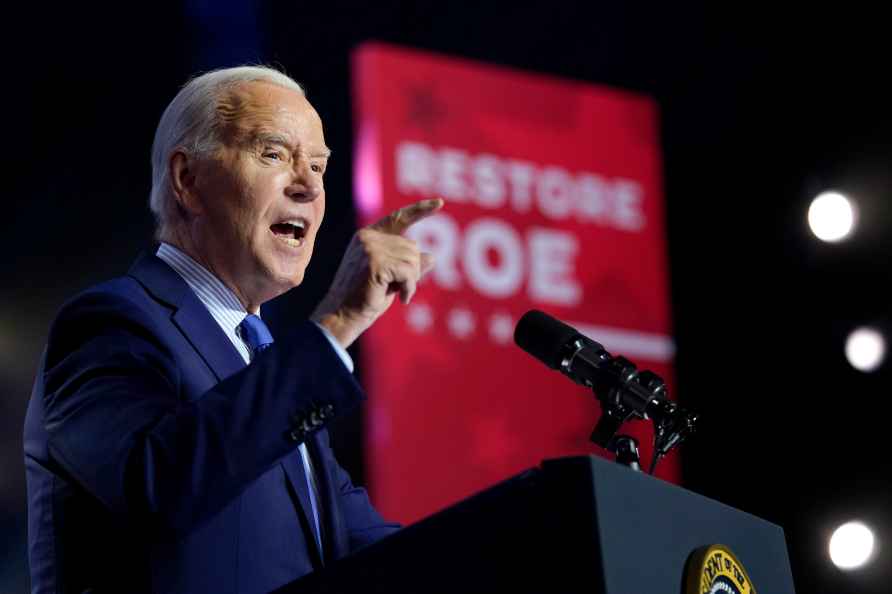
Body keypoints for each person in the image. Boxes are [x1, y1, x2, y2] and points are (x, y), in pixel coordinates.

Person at [23, 65, 442, 594]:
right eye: (273, 154)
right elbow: (158, 485)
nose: (310, 185)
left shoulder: (269, 373)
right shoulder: (110, 323)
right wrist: (337, 322)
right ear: (187, 181)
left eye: (318, 165)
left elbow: (393, 559)